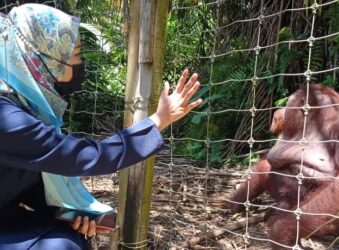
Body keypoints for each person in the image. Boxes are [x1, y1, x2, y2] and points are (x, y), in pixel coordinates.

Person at [0, 3, 202, 250]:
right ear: (41, 59)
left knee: (70, 237)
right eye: (74, 55)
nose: (79, 64)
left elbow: (17, 175)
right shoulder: (6, 117)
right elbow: (79, 156)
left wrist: (68, 212)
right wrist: (158, 120)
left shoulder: (23, 102)